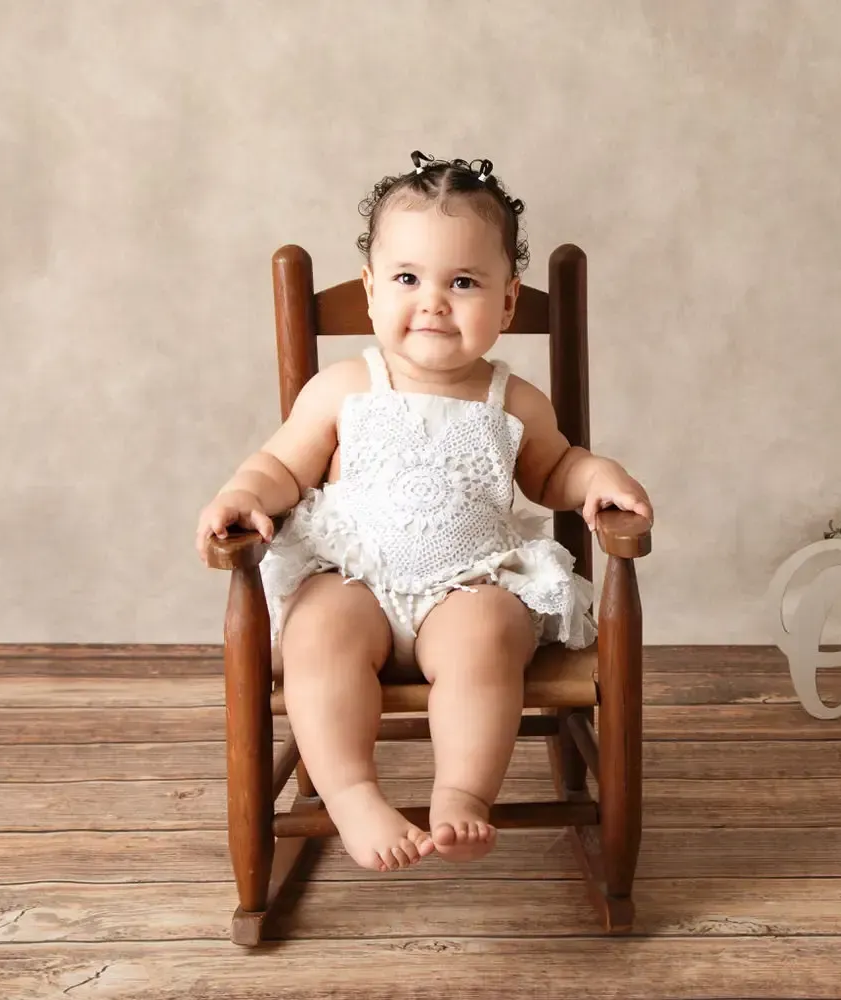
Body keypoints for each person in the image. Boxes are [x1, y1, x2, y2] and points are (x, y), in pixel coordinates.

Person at [195, 152, 652, 871]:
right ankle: (351, 796)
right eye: (408, 279)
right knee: (317, 635)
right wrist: (245, 495)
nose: (433, 301)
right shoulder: (343, 387)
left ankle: (461, 794)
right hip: (355, 580)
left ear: (505, 303)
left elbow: (555, 467)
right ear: (372, 292)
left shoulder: (513, 399)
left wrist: (598, 477)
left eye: (463, 282)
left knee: (488, 638)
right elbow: (282, 465)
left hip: (468, 582)